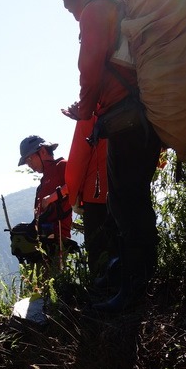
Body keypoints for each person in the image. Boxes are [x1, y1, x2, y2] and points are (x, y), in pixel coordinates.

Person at [58, 0, 162, 312]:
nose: (70, 11)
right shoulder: (120, 8)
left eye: (66, 1)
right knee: (135, 201)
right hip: (146, 118)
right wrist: (88, 108)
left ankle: (132, 293)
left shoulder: (95, 9)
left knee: (125, 205)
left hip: (126, 122)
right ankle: (140, 280)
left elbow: (89, 69)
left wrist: (85, 111)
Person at [63, 117, 116, 280]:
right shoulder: (136, 96)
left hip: (96, 193)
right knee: (125, 242)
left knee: (97, 248)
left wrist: (74, 195)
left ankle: (101, 290)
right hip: (130, 188)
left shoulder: (92, 109)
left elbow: (80, 155)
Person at [17, 135, 73, 264]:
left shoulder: (62, 166)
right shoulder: (44, 180)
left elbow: (76, 183)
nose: (29, 165)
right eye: (27, 162)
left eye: (30, 159)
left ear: (42, 151)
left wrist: (51, 198)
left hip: (57, 240)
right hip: (42, 240)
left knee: (53, 278)